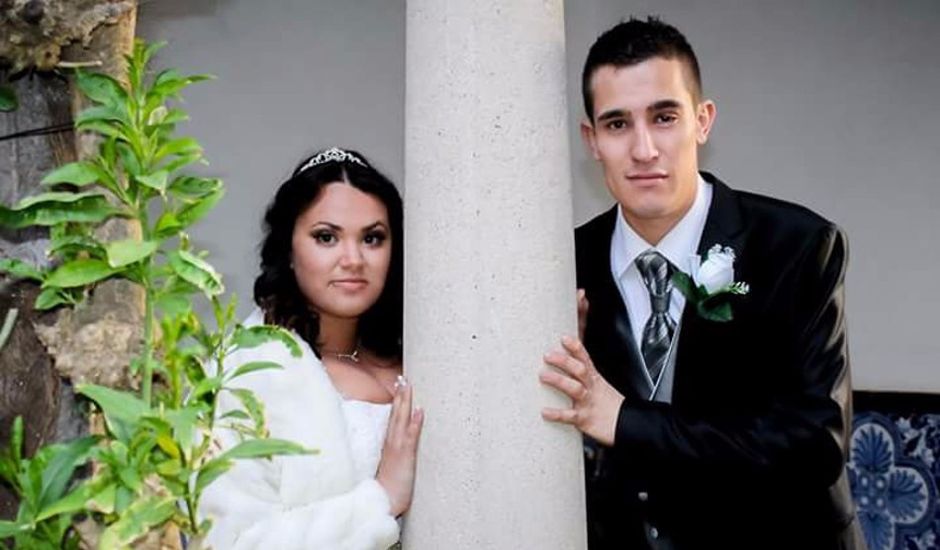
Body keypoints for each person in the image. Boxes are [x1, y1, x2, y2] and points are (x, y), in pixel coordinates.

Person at [539, 17, 865, 549]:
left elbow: (814, 447)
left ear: (702, 120)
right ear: (591, 139)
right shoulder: (561, 264)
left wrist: (624, 420)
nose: (643, 149)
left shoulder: (796, 246)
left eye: (664, 117)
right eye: (618, 124)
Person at [200, 147, 423, 550]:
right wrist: (380, 501)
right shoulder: (245, 371)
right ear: (288, 249)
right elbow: (229, 542)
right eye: (326, 237)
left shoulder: (421, 354)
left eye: (373, 238)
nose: (353, 259)